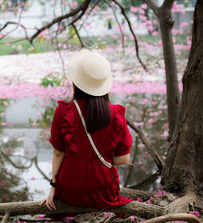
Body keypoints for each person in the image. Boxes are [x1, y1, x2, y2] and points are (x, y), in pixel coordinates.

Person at [40, 51, 133, 213]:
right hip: (104, 191)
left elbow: (58, 154)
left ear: (75, 83)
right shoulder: (115, 113)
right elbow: (124, 159)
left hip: (69, 190)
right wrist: (99, 159)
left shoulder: (63, 112)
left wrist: (53, 188)